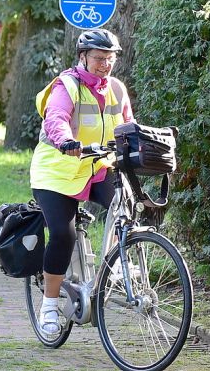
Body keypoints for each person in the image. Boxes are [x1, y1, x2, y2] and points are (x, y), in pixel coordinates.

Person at [28, 29, 133, 336]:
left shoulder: (116, 88)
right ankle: (49, 305)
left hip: (97, 165)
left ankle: (107, 274)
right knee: (62, 234)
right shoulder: (67, 85)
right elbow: (56, 117)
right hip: (57, 170)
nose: (105, 65)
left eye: (109, 59)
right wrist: (66, 140)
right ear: (83, 57)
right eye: (99, 58)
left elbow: (128, 125)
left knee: (122, 206)